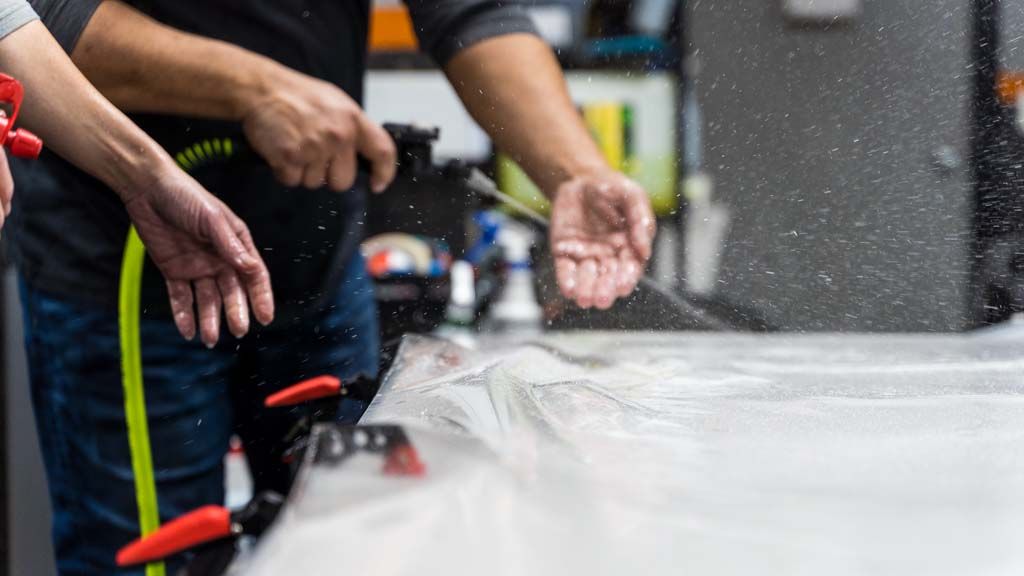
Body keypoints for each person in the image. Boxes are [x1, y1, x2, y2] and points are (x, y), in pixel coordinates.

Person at [15, 0, 658, 574]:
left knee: (354, 543)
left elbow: (468, 10)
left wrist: (574, 172)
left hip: (318, 264)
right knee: (161, 562)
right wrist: (253, 87)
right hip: (132, 267)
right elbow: (38, 16)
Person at [0, 1, 274, 342]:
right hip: (96, 264)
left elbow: (5, 20)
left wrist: (146, 177)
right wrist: (264, 91)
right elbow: (49, 9)